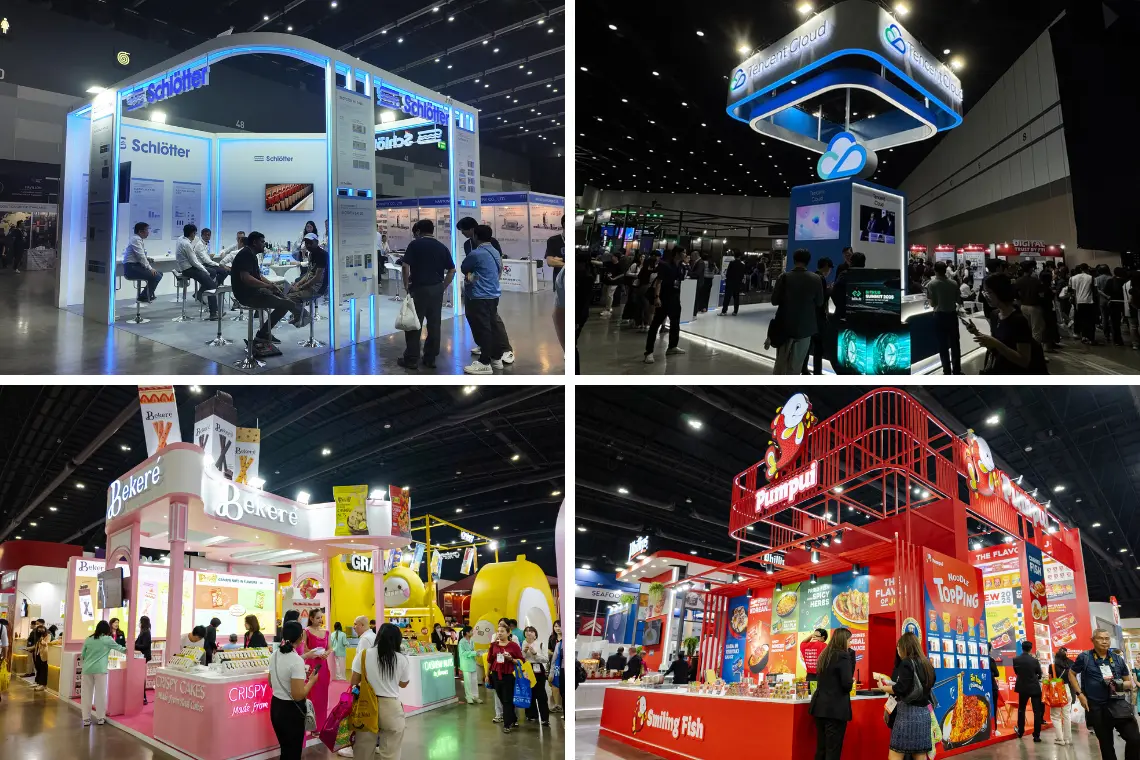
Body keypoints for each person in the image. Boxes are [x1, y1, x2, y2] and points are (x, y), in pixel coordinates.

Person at [230, 232, 309, 356]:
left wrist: (271, 285)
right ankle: (299, 316)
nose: (264, 244)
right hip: (247, 295)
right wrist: (267, 286)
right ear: (254, 242)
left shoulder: (251, 254)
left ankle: (265, 333)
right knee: (286, 304)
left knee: (283, 294)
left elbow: (258, 276)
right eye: (262, 242)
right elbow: (246, 278)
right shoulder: (245, 255)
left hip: (254, 291)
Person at [1068, 628, 1139, 760]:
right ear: (1093, 640)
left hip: (1118, 705)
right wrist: (1080, 694)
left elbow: (1128, 682)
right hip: (1097, 707)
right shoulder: (1085, 657)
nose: (1104, 641)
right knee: (1106, 745)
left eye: (1107, 639)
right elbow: (1071, 674)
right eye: (1100, 638)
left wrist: (1117, 684)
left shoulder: (1117, 659)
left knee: (1135, 739)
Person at [456, 217, 515, 365]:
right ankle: (485, 346)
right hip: (474, 287)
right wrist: (472, 277)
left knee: (492, 321)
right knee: (475, 319)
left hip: (486, 290)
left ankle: (504, 349)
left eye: (463, 230)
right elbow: (469, 268)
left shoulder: (490, 243)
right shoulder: (468, 244)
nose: (462, 233)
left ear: (472, 230)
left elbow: (497, 264)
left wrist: (492, 280)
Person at [399, 219, 455, 370]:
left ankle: (412, 359)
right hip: (436, 290)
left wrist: (406, 285)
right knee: (434, 324)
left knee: (414, 324)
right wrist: (443, 286)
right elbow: (452, 270)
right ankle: (430, 358)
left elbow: (405, 266)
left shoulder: (414, 245)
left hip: (419, 289)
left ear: (418, 231)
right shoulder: (442, 247)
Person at [350, 623, 410, 759]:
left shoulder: (364, 654)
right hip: (391, 707)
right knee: (391, 751)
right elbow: (404, 683)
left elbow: (354, 680)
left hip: (366, 705)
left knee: (363, 750)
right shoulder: (401, 659)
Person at [269, 620, 323, 760]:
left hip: (276, 707)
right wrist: (311, 681)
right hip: (291, 712)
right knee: (293, 752)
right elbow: (298, 695)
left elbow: (271, 682)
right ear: (300, 637)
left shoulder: (274, 655)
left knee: (285, 749)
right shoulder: (296, 661)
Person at [876, 632, 935, 760]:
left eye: (899, 647)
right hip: (924, 714)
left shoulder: (906, 663)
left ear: (905, 647)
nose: (898, 651)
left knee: (895, 754)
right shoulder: (927, 663)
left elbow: (900, 689)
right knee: (920, 754)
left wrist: (883, 687)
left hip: (907, 715)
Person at [259, 234, 325, 345]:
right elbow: (308, 274)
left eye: (310, 242)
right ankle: (299, 314)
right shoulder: (312, 254)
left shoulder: (322, 255)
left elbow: (317, 278)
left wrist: (300, 287)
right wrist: (297, 284)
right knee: (282, 290)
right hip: (309, 285)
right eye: (306, 243)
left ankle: (303, 315)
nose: (308, 245)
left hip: (317, 288)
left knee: (287, 299)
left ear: (316, 242)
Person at [974, 274, 1047, 374]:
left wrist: (995, 343)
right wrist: (982, 338)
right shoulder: (995, 315)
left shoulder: (1018, 320)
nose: (985, 296)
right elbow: (996, 347)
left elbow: (1024, 361)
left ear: (1000, 291)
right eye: (984, 292)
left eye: (989, 292)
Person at [772, 248, 825, 374]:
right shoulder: (816, 279)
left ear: (794, 260)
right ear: (808, 261)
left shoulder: (784, 277)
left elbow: (774, 301)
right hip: (805, 328)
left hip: (785, 326)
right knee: (796, 365)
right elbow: (820, 302)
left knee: (781, 363)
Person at [461, 224, 505, 374]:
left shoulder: (476, 253)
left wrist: (472, 276)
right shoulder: (495, 251)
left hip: (479, 296)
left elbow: (464, 268)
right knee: (492, 326)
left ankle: (485, 362)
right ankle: (496, 358)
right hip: (493, 294)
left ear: (475, 236)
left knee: (482, 328)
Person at [809, 628, 854, 760]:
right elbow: (846, 684)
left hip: (820, 707)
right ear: (843, 640)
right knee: (833, 750)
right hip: (835, 710)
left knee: (821, 748)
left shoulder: (824, 654)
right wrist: (851, 681)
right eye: (849, 640)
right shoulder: (843, 656)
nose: (850, 643)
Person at [80, 620, 127, 726]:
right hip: (100, 670)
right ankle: (100, 718)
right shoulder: (107, 639)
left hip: (87, 670)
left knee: (86, 695)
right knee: (100, 694)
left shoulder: (88, 639)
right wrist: (132, 651)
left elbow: (83, 655)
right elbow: (121, 648)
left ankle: (86, 719)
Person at [642, 247, 684, 363]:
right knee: (656, 324)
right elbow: (659, 282)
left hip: (675, 298)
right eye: (683, 252)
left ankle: (672, 346)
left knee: (675, 323)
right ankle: (649, 352)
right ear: (677, 254)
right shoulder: (666, 266)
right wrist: (657, 297)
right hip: (664, 298)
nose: (685, 254)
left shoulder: (680, 266)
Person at [175, 224, 221, 319]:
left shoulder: (180, 239)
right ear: (192, 233)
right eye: (195, 233)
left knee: (212, 272)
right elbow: (194, 262)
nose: (195, 236)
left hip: (187, 267)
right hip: (189, 269)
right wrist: (205, 271)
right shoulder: (187, 244)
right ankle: (213, 313)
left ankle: (200, 293)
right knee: (212, 286)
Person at [926, 261, 964, 374]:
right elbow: (959, 300)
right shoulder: (954, 283)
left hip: (939, 317)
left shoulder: (931, 284)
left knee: (942, 345)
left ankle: (946, 371)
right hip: (952, 316)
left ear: (935, 271)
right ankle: (957, 370)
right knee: (955, 344)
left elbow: (932, 304)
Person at [488, 622, 524, 733]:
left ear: (508, 633)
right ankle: (513, 718)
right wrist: (487, 674)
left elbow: (521, 660)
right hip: (495, 673)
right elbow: (489, 660)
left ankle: (507, 724)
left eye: (502, 631)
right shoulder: (494, 645)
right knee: (501, 697)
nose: (499, 633)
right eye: (498, 631)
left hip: (509, 674)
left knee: (507, 699)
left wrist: (511, 659)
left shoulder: (514, 646)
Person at [303, 609, 332, 735]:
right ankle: (311, 726)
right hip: (311, 665)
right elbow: (304, 648)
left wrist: (326, 653)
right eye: (318, 618)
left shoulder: (326, 632)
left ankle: (321, 725)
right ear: (311, 618)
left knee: (322, 697)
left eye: (321, 617)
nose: (320, 620)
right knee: (312, 696)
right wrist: (314, 653)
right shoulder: (306, 631)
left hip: (323, 666)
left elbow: (330, 647)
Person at [122, 222, 162, 302]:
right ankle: (144, 296)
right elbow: (141, 256)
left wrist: (147, 259)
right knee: (156, 276)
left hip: (135, 266)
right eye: (147, 230)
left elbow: (139, 256)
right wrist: (150, 268)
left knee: (159, 273)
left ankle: (146, 295)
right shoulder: (136, 239)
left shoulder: (137, 239)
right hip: (131, 268)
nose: (148, 232)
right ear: (140, 231)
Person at [1014, 639, 1044, 741]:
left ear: (1022, 648)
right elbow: (1039, 674)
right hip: (1034, 687)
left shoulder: (1016, 659)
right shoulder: (1034, 661)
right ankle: (1036, 735)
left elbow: (1016, 672)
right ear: (1030, 649)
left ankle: (1020, 731)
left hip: (1022, 687)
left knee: (1021, 709)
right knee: (1037, 711)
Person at [521, 626, 550, 726]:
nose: (528, 633)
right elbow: (521, 658)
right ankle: (531, 715)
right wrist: (524, 652)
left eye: (531, 631)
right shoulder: (523, 643)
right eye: (526, 631)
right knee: (529, 692)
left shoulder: (541, 644)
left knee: (541, 693)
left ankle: (545, 718)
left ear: (535, 634)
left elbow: (546, 659)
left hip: (538, 669)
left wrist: (535, 654)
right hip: (527, 669)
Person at [1015, 261, 1047, 346]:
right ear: (1031, 269)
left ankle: (1029, 348)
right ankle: (1036, 349)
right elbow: (1041, 295)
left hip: (1023, 306)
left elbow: (1017, 295)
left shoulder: (1018, 281)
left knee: (1027, 328)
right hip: (1034, 307)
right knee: (1037, 329)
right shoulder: (1036, 281)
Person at [1070, 263, 1098, 344]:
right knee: (1090, 321)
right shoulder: (1091, 278)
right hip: (1089, 301)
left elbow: (1074, 292)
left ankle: (1084, 337)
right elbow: (1095, 291)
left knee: (1082, 320)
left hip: (1079, 302)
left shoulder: (1074, 278)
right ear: (1087, 269)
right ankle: (1091, 338)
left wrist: (1075, 303)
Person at [1051, 647, 1074, 746]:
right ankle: (1068, 739)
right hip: (1067, 689)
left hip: (1056, 690)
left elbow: (1050, 679)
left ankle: (1060, 739)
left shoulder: (1052, 666)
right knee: (1067, 715)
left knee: (1055, 715)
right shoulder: (1071, 664)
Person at [458, 625, 482, 704]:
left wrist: (477, 653)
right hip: (466, 664)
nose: (473, 632)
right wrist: (473, 653)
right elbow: (462, 653)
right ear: (467, 633)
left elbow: (472, 650)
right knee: (468, 682)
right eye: (471, 631)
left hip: (472, 663)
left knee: (474, 681)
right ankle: (468, 697)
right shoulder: (462, 642)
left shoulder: (471, 641)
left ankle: (475, 696)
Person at [599, 251, 626, 317]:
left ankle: (608, 310)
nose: (612, 257)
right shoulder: (609, 263)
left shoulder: (619, 265)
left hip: (614, 283)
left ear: (616, 258)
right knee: (606, 295)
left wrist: (614, 278)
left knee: (609, 295)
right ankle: (609, 307)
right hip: (607, 282)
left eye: (613, 256)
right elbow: (601, 263)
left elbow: (622, 274)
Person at [136, 615, 153, 705]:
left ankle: (143, 697)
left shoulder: (146, 632)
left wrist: (135, 645)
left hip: (143, 657)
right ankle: (142, 697)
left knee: (141, 678)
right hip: (141, 657)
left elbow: (145, 645)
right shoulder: (143, 631)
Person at [548, 620, 564, 712]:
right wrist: (554, 653)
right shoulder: (552, 638)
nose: (557, 628)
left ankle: (561, 704)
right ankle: (557, 704)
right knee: (554, 684)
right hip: (555, 663)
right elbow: (549, 650)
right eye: (556, 626)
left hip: (562, 665)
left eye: (559, 626)